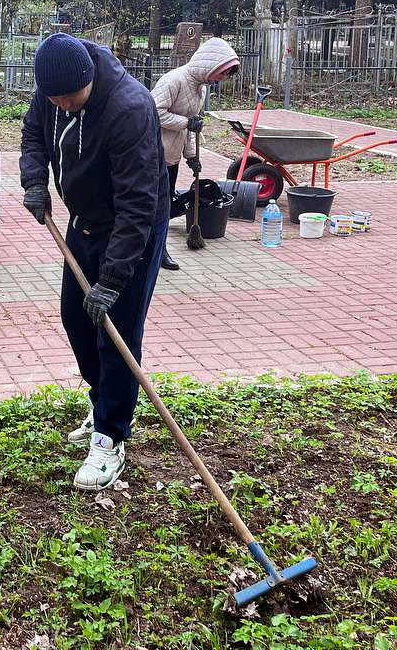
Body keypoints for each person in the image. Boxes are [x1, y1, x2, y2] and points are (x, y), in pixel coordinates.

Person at [20, 32, 169, 491]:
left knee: (116, 333)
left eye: (70, 97)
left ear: (88, 79)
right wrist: (34, 181)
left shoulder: (129, 108)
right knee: (76, 318)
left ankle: (110, 436)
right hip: (83, 221)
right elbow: (33, 134)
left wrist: (113, 278)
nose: (62, 106)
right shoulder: (53, 89)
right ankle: (101, 401)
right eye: (55, 99)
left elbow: (137, 204)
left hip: (131, 230)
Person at [151, 37, 240, 270]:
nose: (220, 79)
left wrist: (192, 157)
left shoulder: (200, 89)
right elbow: (153, 111)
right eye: (221, 74)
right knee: (153, 206)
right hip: (152, 155)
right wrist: (186, 122)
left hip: (171, 158)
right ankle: (153, 251)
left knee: (164, 206)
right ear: (209, 65)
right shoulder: (173, 80)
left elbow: (190, 128)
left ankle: (158, 250)